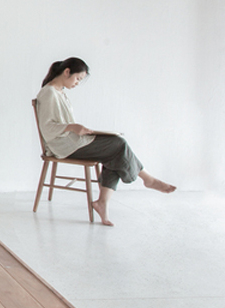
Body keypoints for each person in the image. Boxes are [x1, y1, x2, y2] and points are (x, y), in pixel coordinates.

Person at [36, 57, 175, 226]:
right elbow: (47, 128)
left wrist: (77, 129)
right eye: (78, 78)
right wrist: (72, 127)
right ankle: (148, 179)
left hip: (72, 141)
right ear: (67, 72)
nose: (78, 83)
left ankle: (102, 203)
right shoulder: (49, 93)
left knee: (116, 150)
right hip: (62, 146)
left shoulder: (59, 92)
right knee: (118, 145)